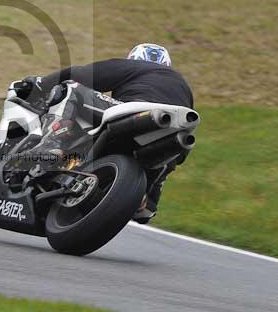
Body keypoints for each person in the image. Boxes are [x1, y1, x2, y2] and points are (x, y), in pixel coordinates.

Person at [15, 43, 194, 224]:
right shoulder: (183, 86)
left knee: (70, 88)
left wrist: (41, 84)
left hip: (135, 112)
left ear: (133, 59)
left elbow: (83, 74)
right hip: (171, 135)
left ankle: (51, 146)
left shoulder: (136, 66)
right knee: (167, 158)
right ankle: (145, 201)